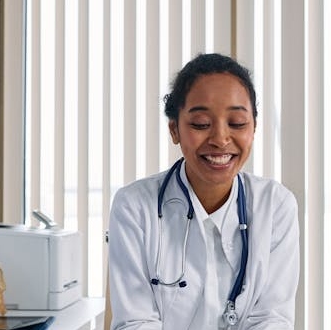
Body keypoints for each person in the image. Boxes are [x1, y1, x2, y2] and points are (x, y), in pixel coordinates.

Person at [108, 53, 300, 329]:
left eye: (237, 123)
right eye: (200, 124)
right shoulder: (135, 206)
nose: (220, 139)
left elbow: (272, 319)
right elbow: (136, 322)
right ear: (174, 129)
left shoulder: (275, 205)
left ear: (254, 128)